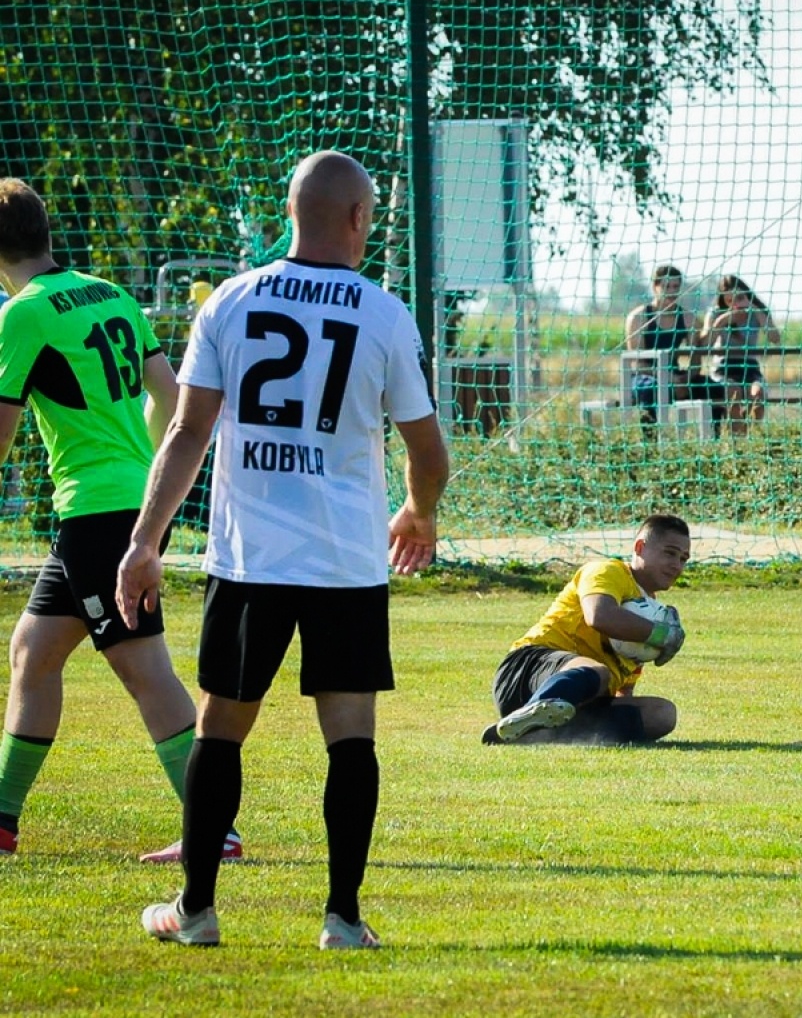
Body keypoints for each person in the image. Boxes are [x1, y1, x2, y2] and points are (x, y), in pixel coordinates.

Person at [115, 150, 450, 949]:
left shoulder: (230, 300)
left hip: (249, 560)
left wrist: (143, 542)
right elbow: (428, 451)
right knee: (351, 736)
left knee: (220, 730)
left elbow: (188, 432)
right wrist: (418, 510)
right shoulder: (383, 312)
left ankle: (194, 911)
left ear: (290, 212)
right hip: (345, 563)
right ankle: (342, 918)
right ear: (358, 219)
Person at [0, 178, 242, 864]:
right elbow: (170, 396)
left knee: (145, 669)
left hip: (97, 511)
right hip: (129, 501)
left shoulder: (23, 314)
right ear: (45, 231)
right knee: (32, 652)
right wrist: (139, 460)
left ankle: (214, 828)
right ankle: (2, 819)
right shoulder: (109, 292)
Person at [487, 514, 689, 746]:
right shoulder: (608, 571)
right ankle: (534, 712)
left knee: (663, 713)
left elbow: (624, 690)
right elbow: (599, 615)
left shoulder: (651, 611)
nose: (677, 565)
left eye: (684, 558)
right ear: (640, 547)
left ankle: (541, 734)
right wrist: (663, 635)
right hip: (526, 669)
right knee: (598, 672)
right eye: (670, 553)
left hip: (579, 698)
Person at [623, 265, 721, 433]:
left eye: (676, 287)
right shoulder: (638, 317)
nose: (672, 291)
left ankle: (713, 440)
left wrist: (686, 378)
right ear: (655, 287)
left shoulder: (687, 318)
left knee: (715, 388)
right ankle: (651, 447)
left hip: (677, 375)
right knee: (651, 390)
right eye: (666, 286)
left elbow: (696, 357)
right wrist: (667, 379)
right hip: (646, 376)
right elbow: (637, 363)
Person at [700, 275, 779, 438]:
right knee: (733, 392)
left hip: (749, 367)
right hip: (724, 368)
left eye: (740, 298)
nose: (735, 304)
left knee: (758, 393)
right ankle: (738, 440)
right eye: (730, 300)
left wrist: (754, 310)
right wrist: (722, 321)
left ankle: (752, 435)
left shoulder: (757, 312)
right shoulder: (716, 313)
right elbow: (704, 345)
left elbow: (775, 338)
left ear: (747, 295)